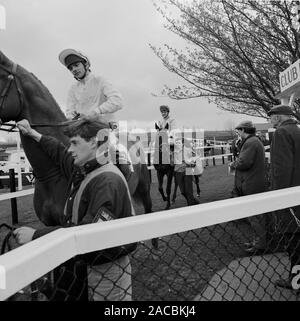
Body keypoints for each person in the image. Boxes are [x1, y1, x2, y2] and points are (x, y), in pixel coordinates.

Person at [13, 118, 135, 301]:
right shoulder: (87, 170)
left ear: (94, 142)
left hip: (108, 269)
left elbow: (90, 232)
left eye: (75, 143)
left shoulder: (107, 181)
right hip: (91, 264)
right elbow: (59, 152)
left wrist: (36, 236)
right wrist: (32, 133)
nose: (70, 149)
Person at [268, 104, 300, 290]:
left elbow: (281, 170)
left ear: (278, 117)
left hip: (290, 197)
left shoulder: (281, 133)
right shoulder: (297, 130)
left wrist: (278, 196)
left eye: (271, 116)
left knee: (294, 244)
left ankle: (296, 282)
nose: (270, 120)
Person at [229, 121, 266, 254]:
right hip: (253, 182)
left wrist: (233, 164)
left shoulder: (251, 142)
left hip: (252, 184)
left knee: (255, 216)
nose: (237, 133)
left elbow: (244, 162)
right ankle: (258, 241)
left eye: (238, 130)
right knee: (255, 216)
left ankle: (261, 245)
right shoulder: (253, 141)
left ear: (244, 130)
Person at [58, 49, 123, 123]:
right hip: (84, 130)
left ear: (86, 64)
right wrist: (72, 118)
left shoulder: (100, 80)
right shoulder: (73, 89)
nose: (74, 70)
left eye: (76, 65)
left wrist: (96, 112)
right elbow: (70, 112)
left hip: (106, 128)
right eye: (71, 68)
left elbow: (117, 101)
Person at [174, 136, 199, 206]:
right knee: (182, 191)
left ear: (182, 143)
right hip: (178, 171)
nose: (178, 144)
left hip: (188, 169)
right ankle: (193, 201)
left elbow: (195, 156)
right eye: (177, 143)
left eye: (179, 143)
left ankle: (190, 204)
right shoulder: (174, 152)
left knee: (189, 190)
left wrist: (192, 162)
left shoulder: (188, 149)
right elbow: (172, 163)